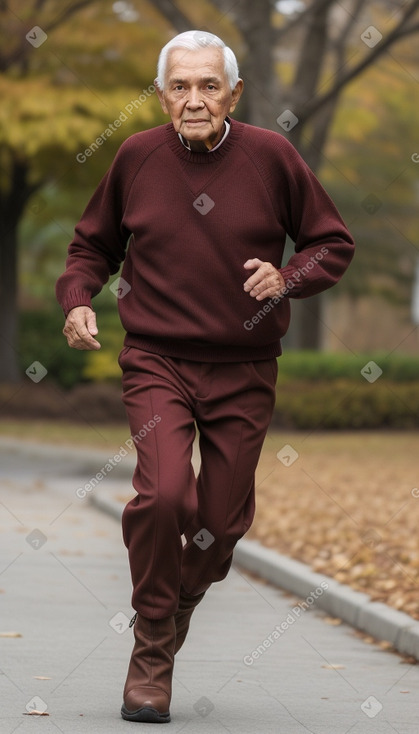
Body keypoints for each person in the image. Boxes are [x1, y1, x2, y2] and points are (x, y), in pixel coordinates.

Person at [56, 30, 355, 724]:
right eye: (180, 87)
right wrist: (76, 300)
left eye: (208, 86)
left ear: (234, 93)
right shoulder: (135, 158)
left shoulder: (272, 157)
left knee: (217, 529)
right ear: (162, 95)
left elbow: (331, 242)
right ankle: (153, 651)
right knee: (164, 496)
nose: (194, 100)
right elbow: (91, 246)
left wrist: (287, 277)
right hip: (157, 360)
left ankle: (170, 610)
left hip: (244, 368)